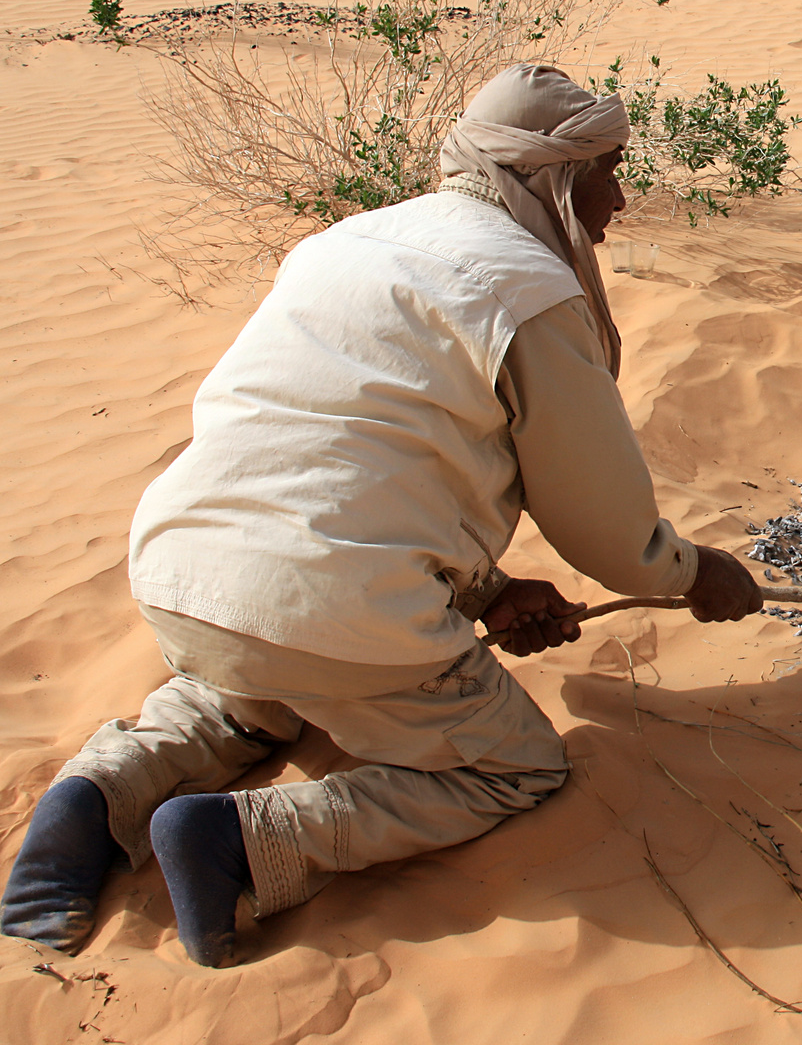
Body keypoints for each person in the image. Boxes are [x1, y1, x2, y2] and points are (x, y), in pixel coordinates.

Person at [0, 65, 762, 968]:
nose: (621, 196)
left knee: (256, 691)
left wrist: (484, 592)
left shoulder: (347, 239)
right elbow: (603, 528)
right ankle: (242, 841)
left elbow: (350, 458)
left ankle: (98, 793)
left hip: (179, 574)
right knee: (517, 766)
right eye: (607, 169)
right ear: (552, 176)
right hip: (332, 603)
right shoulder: (530, 293)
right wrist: (687, 574)